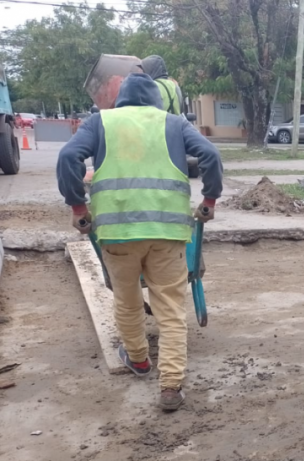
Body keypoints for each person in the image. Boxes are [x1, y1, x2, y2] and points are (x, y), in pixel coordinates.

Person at [56, 73, 223, 411]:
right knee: (171, 309)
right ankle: (171, 386)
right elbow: (210, 154)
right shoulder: (174, 123)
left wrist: (78, 207)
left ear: (121, 100)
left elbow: (68, 157)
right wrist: (209, 201)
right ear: (156, 102)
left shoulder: (100, 122)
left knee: (128, 300)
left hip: (117, 234)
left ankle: (139, 360)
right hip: (168, 234)